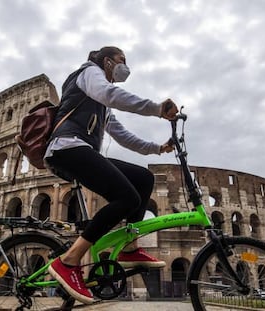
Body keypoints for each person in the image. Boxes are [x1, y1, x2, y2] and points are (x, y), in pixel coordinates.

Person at [45, 46, 178, 304]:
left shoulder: (103, 108)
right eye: (121, 61)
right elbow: (109, 93)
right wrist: (156, 108)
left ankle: (129, 248)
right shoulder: (88, 73)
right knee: (127, 198)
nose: (125, 66)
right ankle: (69, 261)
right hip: (66, 148)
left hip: (80, 149)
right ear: (106, 62)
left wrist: (157, 148)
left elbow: (125, 137)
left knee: (143, 178)